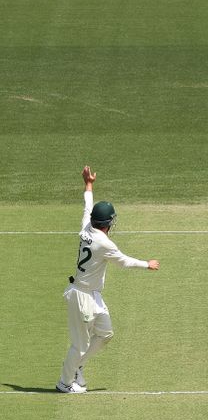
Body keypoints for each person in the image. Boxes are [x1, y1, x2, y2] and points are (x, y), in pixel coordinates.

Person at [57, 166, 159, 393]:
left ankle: (78, 367)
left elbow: (86, 207)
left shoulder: (86, 226)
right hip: (81, 295)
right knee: (80, 344)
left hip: (92, 294)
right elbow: (123, 261)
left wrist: (89, 184)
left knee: (105, 334)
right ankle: (65, 382)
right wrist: (146, 264)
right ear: (107, 224)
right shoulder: (104, 243)